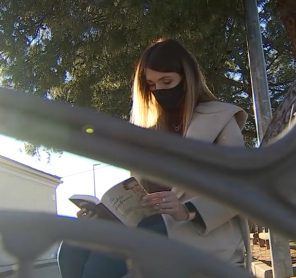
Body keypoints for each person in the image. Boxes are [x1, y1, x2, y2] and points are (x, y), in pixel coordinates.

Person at [57, 38, 251, 278]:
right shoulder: (150, 132)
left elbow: (242, 186)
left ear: (186, 78)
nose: (160, 91)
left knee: (105, 259)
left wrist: (187, 209)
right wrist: (108, 212)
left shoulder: (221, 118)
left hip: (200, 233)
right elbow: (141, 197)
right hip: (151, 226)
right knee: (74, 245)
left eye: (167, 81)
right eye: (152, 85)